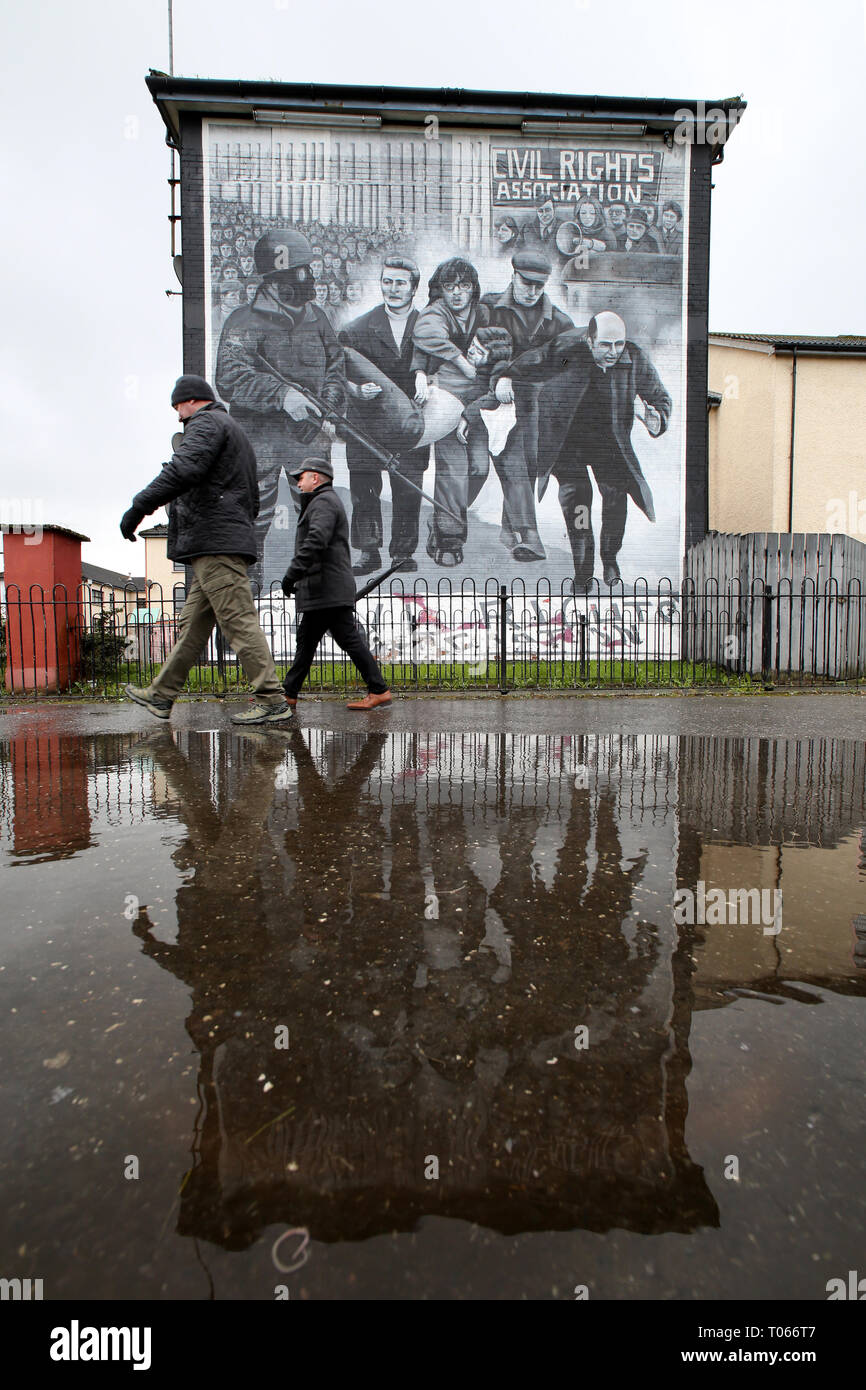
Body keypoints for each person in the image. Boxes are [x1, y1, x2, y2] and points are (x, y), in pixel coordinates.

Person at [119, 375, 294, 725]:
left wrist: (140, 506)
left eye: (177, 407)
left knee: (238, 620)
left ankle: (272, 699)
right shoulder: (228, 429)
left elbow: (183, 469)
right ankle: (161, 694)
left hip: (216, 544)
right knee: (193, 628)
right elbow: (252, 499)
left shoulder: (207, 423)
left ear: (190, 400)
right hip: (215, 542)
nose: (177, 415)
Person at [215, 228, 347, 587]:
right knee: (254, 518)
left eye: (308, 270)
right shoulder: (242, 322)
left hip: (308, 441)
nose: (308, 278)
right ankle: (249, 582)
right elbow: (229, 377)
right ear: (273, 280)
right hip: (258, 443)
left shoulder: (317, 318)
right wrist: (282, 396)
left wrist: (329, 408)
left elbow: (336, 367)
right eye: (298, 272)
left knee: (316, 517)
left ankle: (312, 588)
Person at [507, 311, 672, 590]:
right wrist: (504, 377)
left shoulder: (633, 358)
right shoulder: (567, 349)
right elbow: (532, 361)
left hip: (608, 443)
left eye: (619, 344)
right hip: (567, 441)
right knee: (579, 502)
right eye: (605, 345)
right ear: (589, 339)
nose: (613, 352)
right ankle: (583, 573)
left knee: (616, 498)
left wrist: (658, 418)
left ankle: (609, 557)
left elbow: (659, 396)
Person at [479, 251, 574, 560]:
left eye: (539, 286)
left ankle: (510, 529)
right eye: (527, 283)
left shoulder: (559, 322)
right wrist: (499, 379)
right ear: (513, 276)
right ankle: (530, 535)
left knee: (527, 459)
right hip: (490, 398)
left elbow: (566, 368)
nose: (533, 292)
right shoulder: (488, 308)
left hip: (533, 406)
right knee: (516, 457)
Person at [338, 257, 428, 574]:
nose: (393, 289)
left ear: (414, 288)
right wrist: (354, 391)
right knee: (365, 489)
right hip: (366, 423)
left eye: (401, 283)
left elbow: (446, 368)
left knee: (408, 488)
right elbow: (334, 373)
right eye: (387, 281)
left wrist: (431, 382)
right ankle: (368, 553)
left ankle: (403, 552)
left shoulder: (430, 328)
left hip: (411, 424)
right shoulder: (356, 330)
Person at [280, 457, 392, 710]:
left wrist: (291, 575)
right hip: (323, 589)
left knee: (347, 640)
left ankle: (379, 690)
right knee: (307, 642)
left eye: (302, 476)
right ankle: (289, 693)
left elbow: (316, 541)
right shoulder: (321, 502)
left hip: (327, 589)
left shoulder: (324, 502)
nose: (298, 481)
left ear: (316, 478)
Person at [411, 257, 489, 565]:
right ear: (440, 289)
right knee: (453, 471)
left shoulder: (484, 313)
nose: (457, 293)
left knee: (479, 470)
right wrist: (457, 361)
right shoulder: (436, 311)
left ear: (474, 289)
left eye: (464, 286)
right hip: (445, 398)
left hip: (479, 403)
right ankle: (448, 539)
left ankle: (448, 514)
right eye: (450, 286)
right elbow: (425, 337)